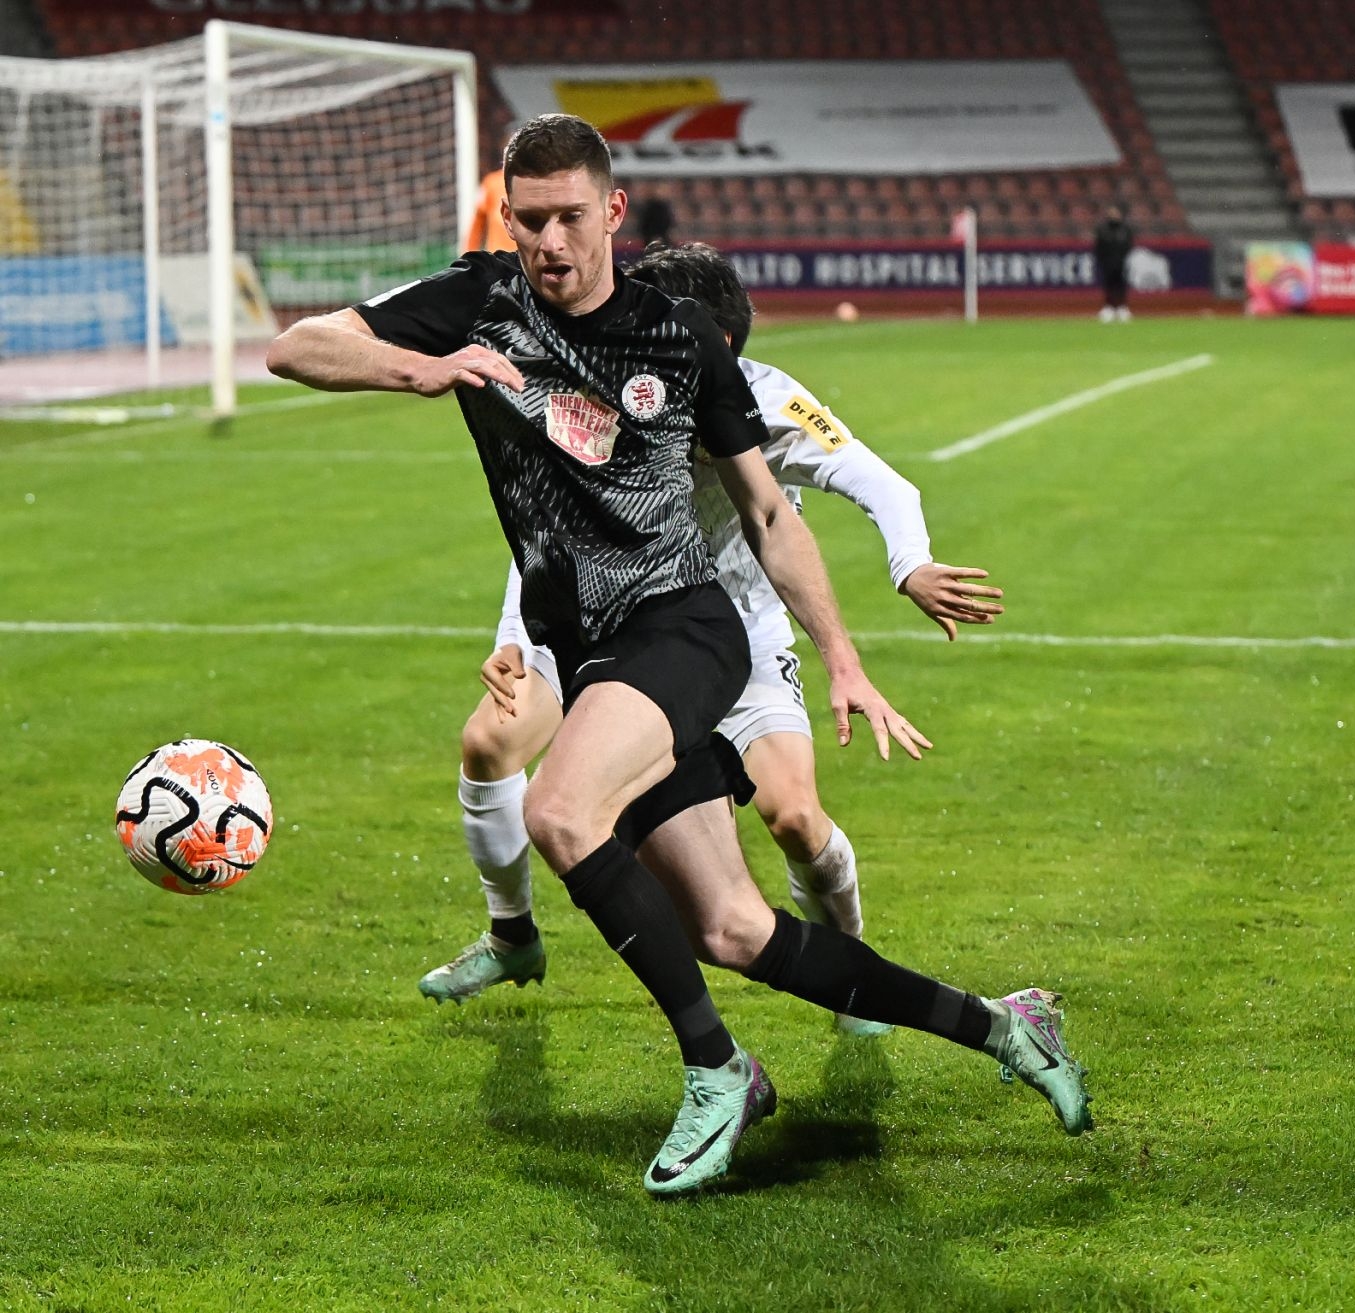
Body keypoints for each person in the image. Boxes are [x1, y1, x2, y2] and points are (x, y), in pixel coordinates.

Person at [265, 114, 1088, 1196]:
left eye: (569, 216)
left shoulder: (682, 339)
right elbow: (293, 346)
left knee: (561, 809)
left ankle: (716, 1068)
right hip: (591, 647)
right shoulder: (481, 298)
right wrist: (415, 368)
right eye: (529, 218)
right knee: (735, 928)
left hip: (687, 631)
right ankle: (1001, 1022)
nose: (548, 240)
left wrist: (840, 651)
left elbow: (769, 513)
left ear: (613, 212)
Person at [425, 240, 1008, 1043]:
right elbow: (549, 527)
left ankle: (850, 970)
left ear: (716, 345)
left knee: (797, 819)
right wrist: (515, 637)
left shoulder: (769, 404)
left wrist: (910, 566)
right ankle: (512, 936)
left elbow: (881, 483)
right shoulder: (602, 391)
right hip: (609, 626)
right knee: (491, 739)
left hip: (739, 637)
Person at [463, 137, 510, 253]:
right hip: (499, 260)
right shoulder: (491, 184)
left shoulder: (535, 183)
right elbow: (478, 221)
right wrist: (469, 256)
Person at [1093, 205, 1133, 323]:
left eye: (1116, 213)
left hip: (1121, 262)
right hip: (1107, 263)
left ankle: (1122, 308)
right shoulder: (1103, 230)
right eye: (1112, 213)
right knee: (1109, 286)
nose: (1114, 215)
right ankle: (1109, 308)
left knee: (1121, 285)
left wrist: (1123, 258)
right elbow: (1098, 247)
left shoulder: (1125, 229)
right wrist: (1103, 260)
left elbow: (1128, 246)